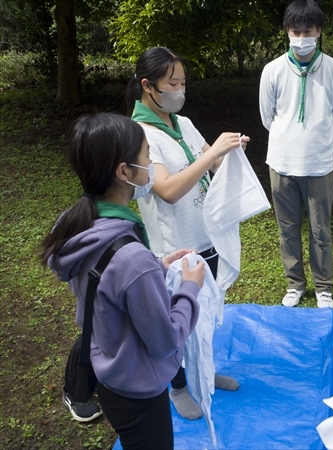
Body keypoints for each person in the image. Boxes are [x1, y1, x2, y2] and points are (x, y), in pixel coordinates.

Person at [41, 113, 204, 449]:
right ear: (124, 171)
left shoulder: (79, 225)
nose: (152, 166)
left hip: (109, 373)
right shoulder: (132, 259)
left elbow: (108, 282)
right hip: (138, 390)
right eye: (147, 157)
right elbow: (165, 341)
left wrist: (158, 266)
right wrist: (190, 288)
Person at [125, 46, 244, 420]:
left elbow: (209, 161)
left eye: (183, 82)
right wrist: (212, 156)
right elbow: (168, 190)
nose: (180, 89)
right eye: (172, 83)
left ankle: (202, 370)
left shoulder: (183, 123)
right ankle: (176, 387)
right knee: (175, 318)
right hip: (174, 249)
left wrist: (231, 151)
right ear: (148, 86)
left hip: (205, 236)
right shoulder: (140, 134)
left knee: (204, 312)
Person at [259, 0, 333, 308]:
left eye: (307, 31)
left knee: (321, 229)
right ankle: (294, 283)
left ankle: (324, 286)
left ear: (319, 31)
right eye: (295, 31)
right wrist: (290, 139)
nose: (301, 38)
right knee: (287, 230)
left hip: (320, 164)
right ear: (287, 31)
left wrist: (319, 141)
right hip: (281, 162)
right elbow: (266, 116)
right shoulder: (272, 70)